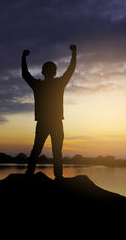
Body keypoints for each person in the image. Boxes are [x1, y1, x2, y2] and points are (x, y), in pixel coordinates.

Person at [22, 45, 77, 179]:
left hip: (46, 122)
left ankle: (31, 174)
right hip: (53, 122)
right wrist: (74, 54)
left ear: (43, 72)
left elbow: (25, 74)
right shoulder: (57, 84)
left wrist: (23, 58)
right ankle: (57, 176)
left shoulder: (40, 85)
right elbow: (71, 70)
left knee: (39, 149)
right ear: (54, 72)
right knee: (54, 150)